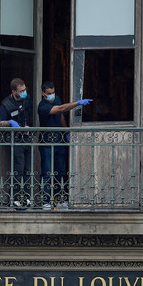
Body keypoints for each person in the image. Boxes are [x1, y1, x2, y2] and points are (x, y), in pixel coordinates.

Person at [36, 81, 91, 209]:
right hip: (46, 143)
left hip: (59, 141)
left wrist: (65, 131)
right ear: (43, 93)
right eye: (49, 93)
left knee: (61, 171)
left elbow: (60, 115)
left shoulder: (57, 99)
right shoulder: (42, 106)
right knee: (47, 172)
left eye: (53, 92)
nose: (52, 95)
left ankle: (61, 198)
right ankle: (46, 201)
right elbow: (60, 109)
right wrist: (78, 103)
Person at [0, 78, 34, 208]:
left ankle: (28, 197)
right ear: (14, 91)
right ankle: (14, 197)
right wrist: (10, 123)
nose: (24, 92)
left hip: (26, 138)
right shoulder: (6, 104)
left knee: (28, 170)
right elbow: (0, 122)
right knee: (18, 169)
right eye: (21, 91)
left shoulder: (27, 99)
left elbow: (29, 115)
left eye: (25, 90)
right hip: (14, 139)